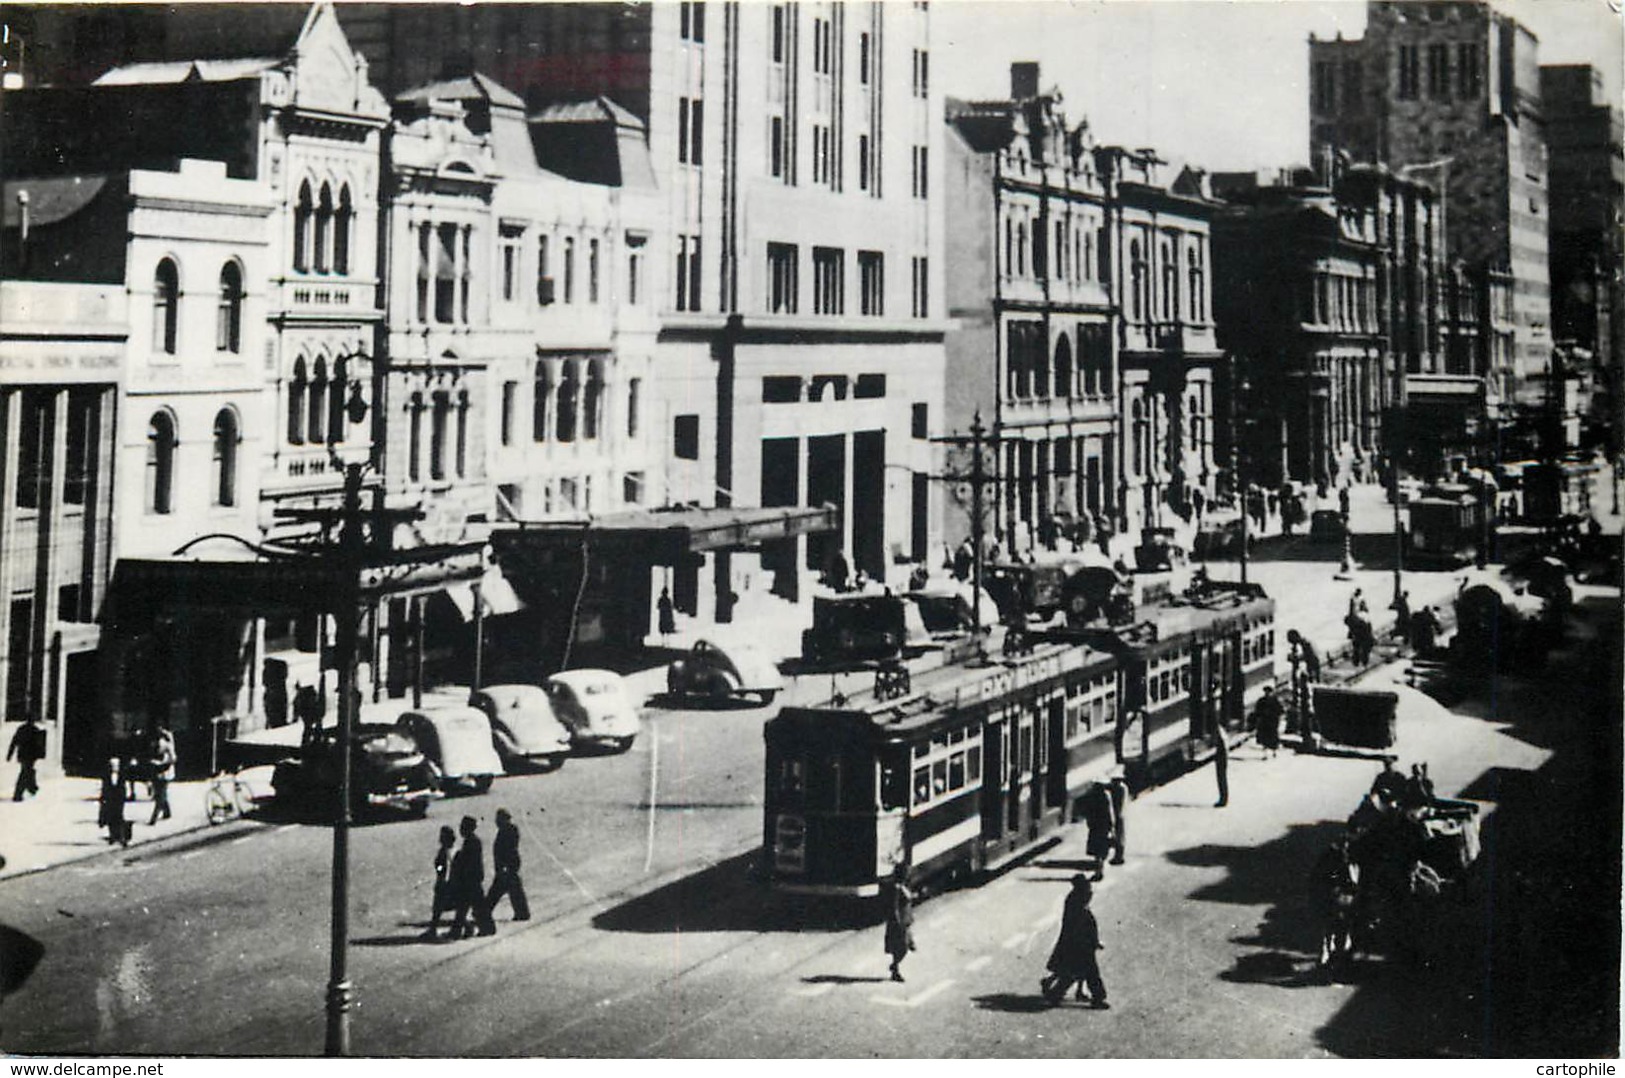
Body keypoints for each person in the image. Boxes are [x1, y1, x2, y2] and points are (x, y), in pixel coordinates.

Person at [1042, 875, 1109, 1008]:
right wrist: (1092, 942)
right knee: (1089, 973)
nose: (1090, 893)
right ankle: (1097, 998)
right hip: (1081, 945)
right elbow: (1082, 926)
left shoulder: (1075, 900)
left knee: (1073, 972)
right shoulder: (1077, 904)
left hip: (1080, 944)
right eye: (1088, 889)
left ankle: (1056, 994)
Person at [448, 815, 496, 939]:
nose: (461, 830)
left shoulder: (472, 842)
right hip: (473, 878)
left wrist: (458, 859)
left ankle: (460, 930)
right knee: (470, 907)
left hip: (471, 879)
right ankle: (486, 928)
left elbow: (468, 861)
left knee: (468, 906)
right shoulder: (471, 841)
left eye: (463, 827)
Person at [486, 808, 531, 923]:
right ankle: (522, 912)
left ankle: (483, 911)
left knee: (498, 891)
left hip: (507, 866)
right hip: (509, 866)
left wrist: (503, 867)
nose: (496, 822)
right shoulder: (508, 829)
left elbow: (507, 850)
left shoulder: (508, 830)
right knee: (511, 890)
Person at [421, 825, 457, 941]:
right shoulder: (450, 850)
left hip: (444, 884)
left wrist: (440, 875)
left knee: (438, 908)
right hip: (448, 883)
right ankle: (433, 929)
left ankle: (433, 930)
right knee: (446, 907)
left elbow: (442, 868)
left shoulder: (444, 852)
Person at [883, 864, 916, 983]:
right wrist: (897, 921)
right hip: (899, 922)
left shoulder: (903, 886)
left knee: (904, 946)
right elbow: (894, 907)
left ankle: (895, 968)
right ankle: (895, 967)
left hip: (905, 920)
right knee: (901, 948)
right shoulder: (896, 888)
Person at [8, 716, 47, 802]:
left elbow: (14, 741)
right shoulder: (35, 730)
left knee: (27, 771)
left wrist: (10, 754)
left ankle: (31, 787)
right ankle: (19, 793)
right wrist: (40, 754)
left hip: (22, 755)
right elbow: (39, 744)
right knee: (25, 773)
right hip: (31, 756)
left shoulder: (21, 729)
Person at [1081, 782, 1115, 880]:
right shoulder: (1106, 796)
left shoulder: (1091, 795)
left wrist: (1089, 821)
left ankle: (1098, 870)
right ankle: (1100, 870)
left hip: (1095, 826)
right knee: (1102, 850)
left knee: (1096, 851)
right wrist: (1112, 826)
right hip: (1103, 826)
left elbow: (1087, 811)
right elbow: (1110, 812)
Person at [146, 724, 175, 825]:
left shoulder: (167, 745)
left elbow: (173, 759)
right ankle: (167, 812)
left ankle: (153, 818)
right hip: (155, 772)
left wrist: (163, 763)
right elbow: (150, 756)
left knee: (160, 795)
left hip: (165, 772)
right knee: (159, 793)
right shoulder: (153, 745)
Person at [99, 758, 130, 847]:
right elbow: (104, 787)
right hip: (110, 798)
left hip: (119, 799)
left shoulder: (122, 774)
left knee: (119, 817)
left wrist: (124, 797)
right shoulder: (106, 775)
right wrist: (103, 798)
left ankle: (121, 837)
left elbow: (124, 787)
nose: (114, 767)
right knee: (110, 818)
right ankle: (112, 836)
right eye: (112, 766)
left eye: (116, 766)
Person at [1253, 684, 1283, 759]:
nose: (1267, 693)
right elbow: (1257, 711)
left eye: (1268, 692)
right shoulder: (1261, 700)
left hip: (1272, 722)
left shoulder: (1275, 700)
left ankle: (1274, 752)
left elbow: (1280, 710)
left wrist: (1277, 717)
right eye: (1266, 692)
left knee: (1273, 737)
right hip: (1264, 722)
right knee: (1264, 739)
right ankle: (1265, 754)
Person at [1105, 773, 1129, 866]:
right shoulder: (1119, 787)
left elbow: (1122, 803)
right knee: (1118, 835)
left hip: (1119, 814)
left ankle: (1119, 856)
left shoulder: (1121, 788)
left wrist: (1119, 814)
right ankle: (1118, 855)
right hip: (1118, 813)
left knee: (1119, 836)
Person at [1211, 726, 1230, 807]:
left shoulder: (1218, 733)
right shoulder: (1222, 732)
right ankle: (1224, 798)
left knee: (1221, 777)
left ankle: (1223, 799)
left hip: (1221, 756)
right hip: (1223, 755)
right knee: (1222, 777)